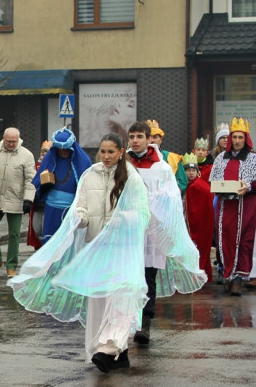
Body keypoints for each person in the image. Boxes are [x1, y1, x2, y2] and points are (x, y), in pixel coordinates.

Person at [8, 133, 150, 373]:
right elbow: (81, 206)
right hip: (96, 246)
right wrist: (80, 218)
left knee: (120, 297)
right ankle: (112, 351)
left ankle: (110, 347)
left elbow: (142, 214)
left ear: (121, 152)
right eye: (102, 152)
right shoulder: (90, 175)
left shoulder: (132, 179)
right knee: (99, 299)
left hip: (122, 248)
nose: (106, 156)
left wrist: (121, 220)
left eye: (111, 152)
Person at [127, 122, 207, 344]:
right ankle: (125, 321)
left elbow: (171, 196)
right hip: (127, 228)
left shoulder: (161, 167)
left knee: (147, 276)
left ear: (148, 139)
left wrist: (149, 203)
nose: (135, 140)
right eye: (131, 136)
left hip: (151, 229)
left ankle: (145, 323)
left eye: (139, 136)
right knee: (126, 276)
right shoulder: (123, 162)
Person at [209, 117, 256, 296]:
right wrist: (220, 187)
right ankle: (228, 274)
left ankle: (238, 279)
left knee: (244, 241)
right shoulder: (221, 158)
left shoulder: (254, 159)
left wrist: (248, 187)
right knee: (225, 239)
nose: (236, 141)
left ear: (246, 139)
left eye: (240, 138)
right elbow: (213, 180)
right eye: (234, 137)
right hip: (225, 206)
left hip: (245, 206)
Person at [0, 127, 36, 276]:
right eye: (8, 141)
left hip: (16, 199)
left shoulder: (26, 155)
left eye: (14, 141)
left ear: (18, 140)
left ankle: (11, 266)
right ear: (3, 139)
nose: (11, 144)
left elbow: (31, 179)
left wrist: (28, 199)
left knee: (14, 234)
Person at [31, 127, 91, 246]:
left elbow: (88, 186)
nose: (63, 152)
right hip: (51, 209)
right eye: (60, 150)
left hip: (72, 210)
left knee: (69, 243)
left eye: (66, 150)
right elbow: (38, 180)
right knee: (51, 241)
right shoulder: (50, 158)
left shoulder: (83, 160)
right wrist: (44, 186)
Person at [183, 153, 215, 281]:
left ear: (197, 172)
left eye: (193, 170)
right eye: (188, 170)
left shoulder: (199, 186)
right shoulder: (188, 186)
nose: (191, 173)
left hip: (200, 224)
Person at [146, 119, 187, 194]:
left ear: (161, 139)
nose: (152, 141)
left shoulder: (173, 158)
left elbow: (182, 182)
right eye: (149, 137)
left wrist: (171, 195)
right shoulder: (136, 158)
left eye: (155, 137)